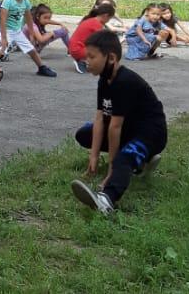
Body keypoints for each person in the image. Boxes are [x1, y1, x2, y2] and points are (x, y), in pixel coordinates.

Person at [70, 30, 166, 216]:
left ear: (111, 58)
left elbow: (115, 127)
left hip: (151, 133)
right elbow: (100, 118)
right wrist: (94, 156)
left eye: (92, 56)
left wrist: (112, 169)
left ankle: (106, 200)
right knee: (84, 134)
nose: (86, 60)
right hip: (130, 130)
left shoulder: (124, 81)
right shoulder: (104, 80)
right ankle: (142, 161)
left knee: (123, 158)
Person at [0, 0, 58, 77]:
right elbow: (2, 21)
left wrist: (31, 34)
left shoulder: (25, 1)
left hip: (17, 32)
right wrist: (4, 38)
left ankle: (42, 68)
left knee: (31, 50)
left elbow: (29, 18)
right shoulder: (8, 1)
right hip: (7, 31)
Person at [70, 2, 117, 74]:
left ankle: (83, 60)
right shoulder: (96, 24)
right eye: (109, 18)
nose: (108, 21)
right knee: (104, 51)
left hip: (74, 48)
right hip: (78, 50)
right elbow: (104, 40)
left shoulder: (91, 20)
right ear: (106, 15)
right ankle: (83, 61)